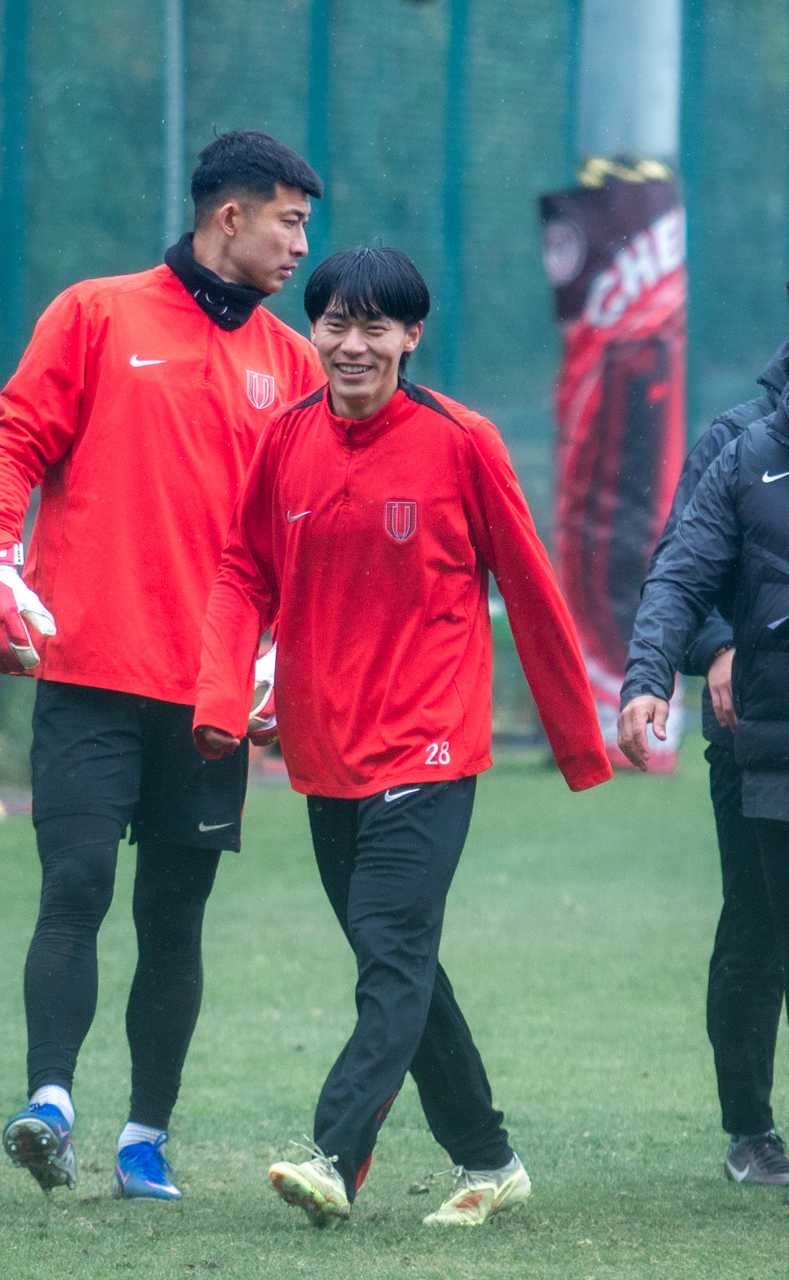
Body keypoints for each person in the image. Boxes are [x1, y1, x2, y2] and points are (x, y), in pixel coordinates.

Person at [193, 246, 613, 1228]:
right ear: (313, 331)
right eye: (334, 323)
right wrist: (219, 697)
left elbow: (530, 585)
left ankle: (334, 1154)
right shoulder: (284, 439)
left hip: (431, 741)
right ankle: (490, 1157)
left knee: (389, 948)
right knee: (401, 962)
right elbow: (243, 571)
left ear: (410, 335)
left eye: (375, 326)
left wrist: (577, 741)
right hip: (324, 750)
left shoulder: (462, 440)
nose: (352, 344)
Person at [0, 130, 324, 1200]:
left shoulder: (294, 363)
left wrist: (288, 655)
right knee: (76, 885)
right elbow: (14, 438)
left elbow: (308, 528)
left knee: (172, 918)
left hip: (212, 694)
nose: (301, 247)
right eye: (289, 221)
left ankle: (145, 1138)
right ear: (230, 215)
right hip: (90, 670)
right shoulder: (95, 314)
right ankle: (50, 1103)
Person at [618, 376, 789, 1202]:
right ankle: (749, 1127)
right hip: (753, 733)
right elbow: (680, 572)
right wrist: (719, 647)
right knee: (756, 931)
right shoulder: (739, 441)